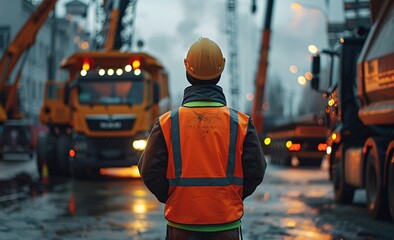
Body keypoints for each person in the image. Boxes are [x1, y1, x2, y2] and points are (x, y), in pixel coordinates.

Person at [138, 37, 267, 240]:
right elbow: (256, 171)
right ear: (221, 71)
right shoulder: (241, 123)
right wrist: (229, 197)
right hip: (225, 224)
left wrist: (175, 198)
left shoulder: (166, 122)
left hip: (181, 225)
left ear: (187, 71)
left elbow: (149, 171)